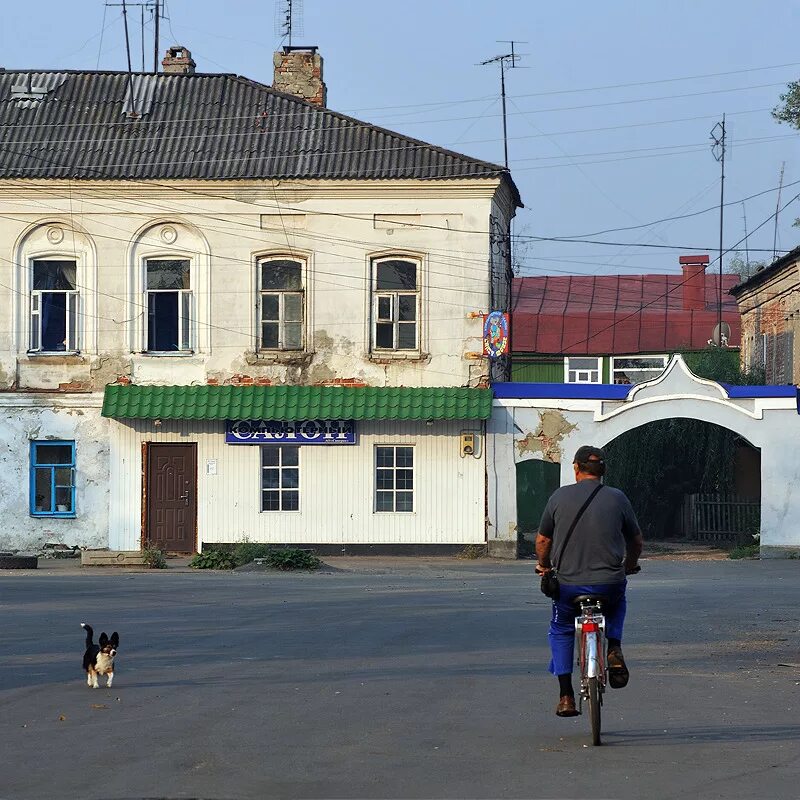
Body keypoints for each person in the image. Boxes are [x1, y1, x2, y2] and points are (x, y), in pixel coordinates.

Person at [534, 445, 643, 717]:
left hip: (569, 586)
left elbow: (543, 540)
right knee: (617, 604)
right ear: (602, 471)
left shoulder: (559, 497)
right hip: (610, 583)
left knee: (561, 628)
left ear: (576, 468)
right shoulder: (618, 498)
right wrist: (629, 566)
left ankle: (566, 696)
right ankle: (614, 647)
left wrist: (544, 567)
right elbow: (636, 540)